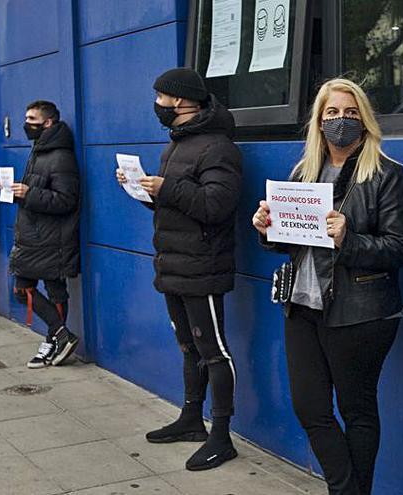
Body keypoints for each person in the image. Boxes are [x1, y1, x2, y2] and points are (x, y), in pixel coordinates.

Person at [252, 78, 403, 495]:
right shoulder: (302, 173)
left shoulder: (386, 175)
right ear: (318, 121)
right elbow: (291, 243)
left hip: (361, 311)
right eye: (331, 113)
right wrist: (268, 230)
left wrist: (350, 238)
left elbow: (399, 248)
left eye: (350, 112)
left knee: (356, 410)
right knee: (311, 409)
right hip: (303, 305)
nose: (341, 120)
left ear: (364, 119)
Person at [117, 67, 242, 471]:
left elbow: (216, 206)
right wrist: (139, 188)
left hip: (202, 266)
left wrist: (165, 188)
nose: (157, 105)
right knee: (188, 346)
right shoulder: (176, 145)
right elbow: (175, 204)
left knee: (214, 351)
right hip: (172, 261)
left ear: (181, 100)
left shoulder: (218, 147)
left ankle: (221, 435)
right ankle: (192, 419)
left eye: (160, 97)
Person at [7, 100, 80, 369]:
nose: (26, 123)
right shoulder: (40, 150)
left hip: (51, 237)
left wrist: (29, 193)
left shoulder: (60, 156)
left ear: (47, 122)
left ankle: (57, 337)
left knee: (44, 288)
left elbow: (66, 200)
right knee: (26, 288)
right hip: (34, 234)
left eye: (31, 118)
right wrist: (21, 193)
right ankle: (58, 337)